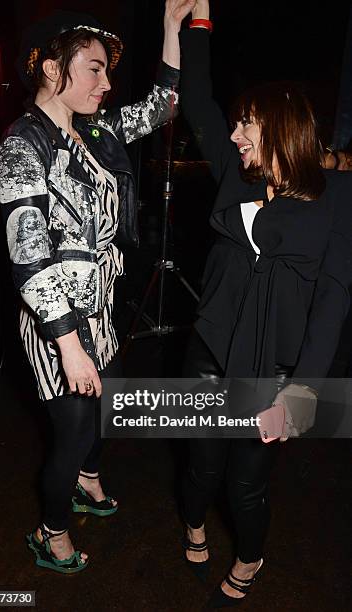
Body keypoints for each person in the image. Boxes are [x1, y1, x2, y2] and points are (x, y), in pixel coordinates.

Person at [0, 2, 196, 574]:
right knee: (75, 426)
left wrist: (169, 30)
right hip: (55, 320)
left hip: (101, 308)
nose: (106, 83)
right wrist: (69, 344)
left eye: (107, 71)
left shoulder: (95, 129)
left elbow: (162, 108)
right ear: (52, 70)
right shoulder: (21, 145)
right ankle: (50, 531)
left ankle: (88, 478)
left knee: (100, 411)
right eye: (94, 69)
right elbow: (30, 259)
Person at [178, 0, 352, 606]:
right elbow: (196, 99)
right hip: (209, 348)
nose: (232, 135)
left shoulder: (334, 198)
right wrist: (196, 20)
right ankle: (194, 523)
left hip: (272, 368)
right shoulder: (236, 172)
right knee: (200, 467)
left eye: (245, 124)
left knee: (246, 485)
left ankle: (250, 555)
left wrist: (304, 388)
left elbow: (333, 297)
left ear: (278, 123)